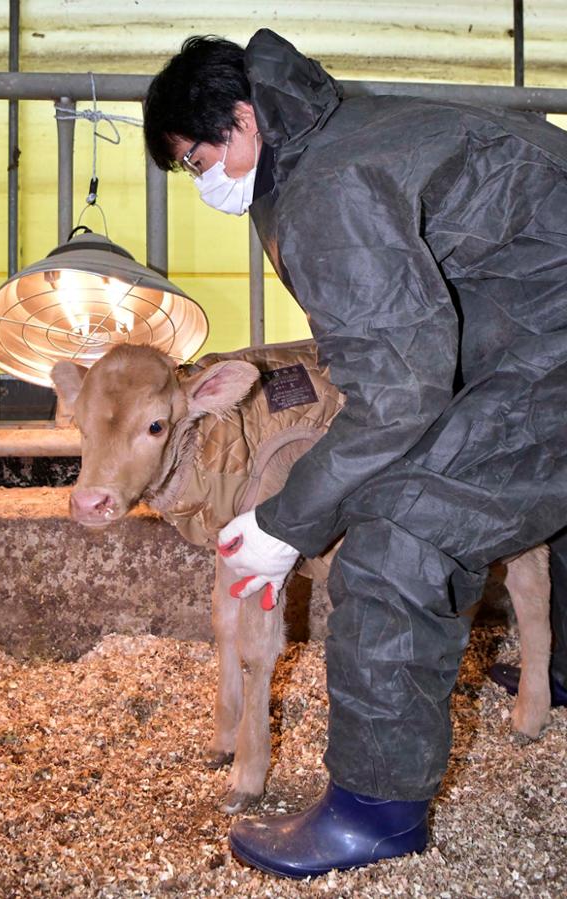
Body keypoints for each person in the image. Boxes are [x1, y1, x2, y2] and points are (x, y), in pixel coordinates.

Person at [144, 29, 567, 878]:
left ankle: (372, 813)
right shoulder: (355, 132)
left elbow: (401, 393)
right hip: (533, 330)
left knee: (396, 538)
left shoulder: (325, 188)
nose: (203, 187)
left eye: (197, 162)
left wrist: (286, 521)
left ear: (243, 117)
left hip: (549, 348)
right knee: (508, 482)